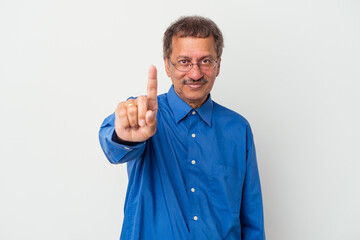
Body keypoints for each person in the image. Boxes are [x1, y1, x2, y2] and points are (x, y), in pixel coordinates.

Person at [99, 16, 265, 240]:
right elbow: (112, 144)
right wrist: (125, 138)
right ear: (167, 65)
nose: (195, 74)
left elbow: (252, 221)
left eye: (205, 61)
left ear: (218, 66)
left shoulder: (238, 129)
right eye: (184, 62)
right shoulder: (144, 116)